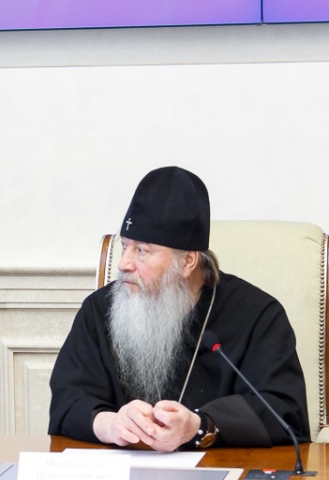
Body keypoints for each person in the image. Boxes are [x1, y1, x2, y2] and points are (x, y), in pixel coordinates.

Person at [49, 166, 309, 450]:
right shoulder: (99, 310)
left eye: (142, 251)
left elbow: (283, 411)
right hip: (121, 474)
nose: (124, 263)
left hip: (223, 474)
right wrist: (108, 424)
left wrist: (200, 426)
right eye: (125, 246)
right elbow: (68, 398)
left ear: (187, 262)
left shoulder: (258, 316)